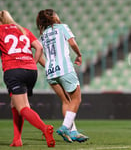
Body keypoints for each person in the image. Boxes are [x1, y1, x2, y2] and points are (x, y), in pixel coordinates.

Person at [0, 10, 55, 147]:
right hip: (31, 71)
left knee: (22, 107)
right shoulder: (23, 30)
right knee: (16, 104)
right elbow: (39, 47)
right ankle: (17, 140)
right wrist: (32, 63)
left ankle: (44, 128)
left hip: (13, 70)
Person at [36, 9, 88, 143]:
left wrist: (48, 66)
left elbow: (39, 53)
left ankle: (74, 131)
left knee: (66, 101)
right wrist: (79, 55)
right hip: (65, 69)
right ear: (53, 17)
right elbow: (72, 43)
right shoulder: (62, 27)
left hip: (51, 72)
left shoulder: (43, 36)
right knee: (76, 99)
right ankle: (65, 128)